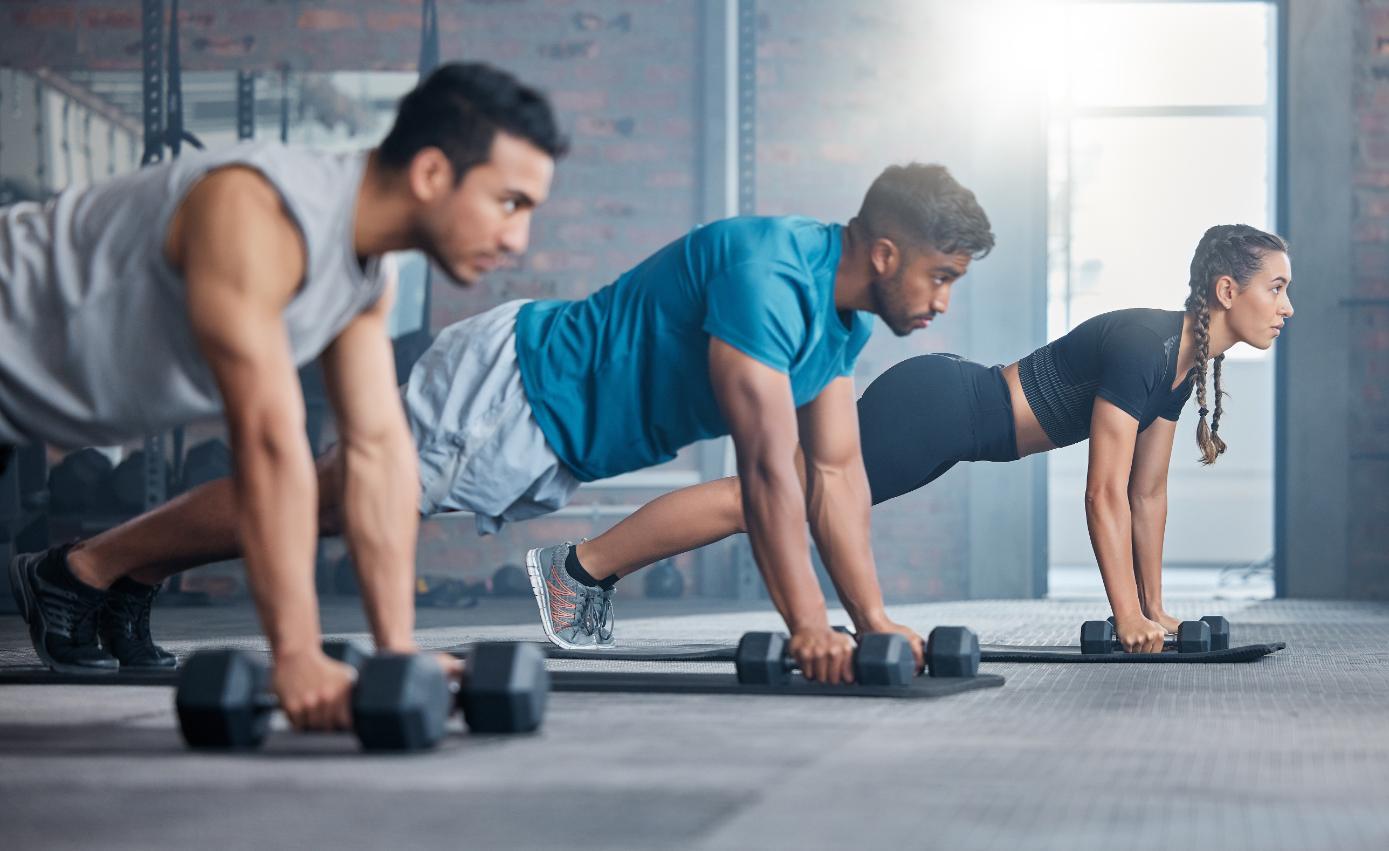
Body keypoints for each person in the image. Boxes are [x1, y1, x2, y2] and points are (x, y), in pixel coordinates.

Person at [36, 162, 996, 685]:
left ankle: (126, 568)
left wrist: (867, 620)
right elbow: (766, 474)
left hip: (543, 422)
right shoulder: (768, 276)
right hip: (514, 392)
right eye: (941, 278)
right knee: (328, 503)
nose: (944, 303)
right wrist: (804, 627)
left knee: (321, 504)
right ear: (882, 252)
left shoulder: (835, 329)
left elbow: (836, 479)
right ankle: (79, 570)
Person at [4, 63, 565, 729]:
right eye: (510, 202)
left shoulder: (364, 277)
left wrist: (397, 653)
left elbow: (377, 455)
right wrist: (294, 654)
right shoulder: (256, 209)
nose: (517, 238)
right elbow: (270, 444)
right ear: (432, 174)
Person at [571, 224, 1291, 654]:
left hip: (954, 419)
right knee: (768, 499)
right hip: (940, 408)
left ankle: (586, 568)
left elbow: (1146, 493)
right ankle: (580, 568)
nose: (1286, 306)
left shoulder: (1182, 361)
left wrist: (1152, 609)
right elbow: (1101, 490)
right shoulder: (1145, 344)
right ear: (1228, 291)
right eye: (1276, 287)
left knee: (776, 498)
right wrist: (1124, 615)